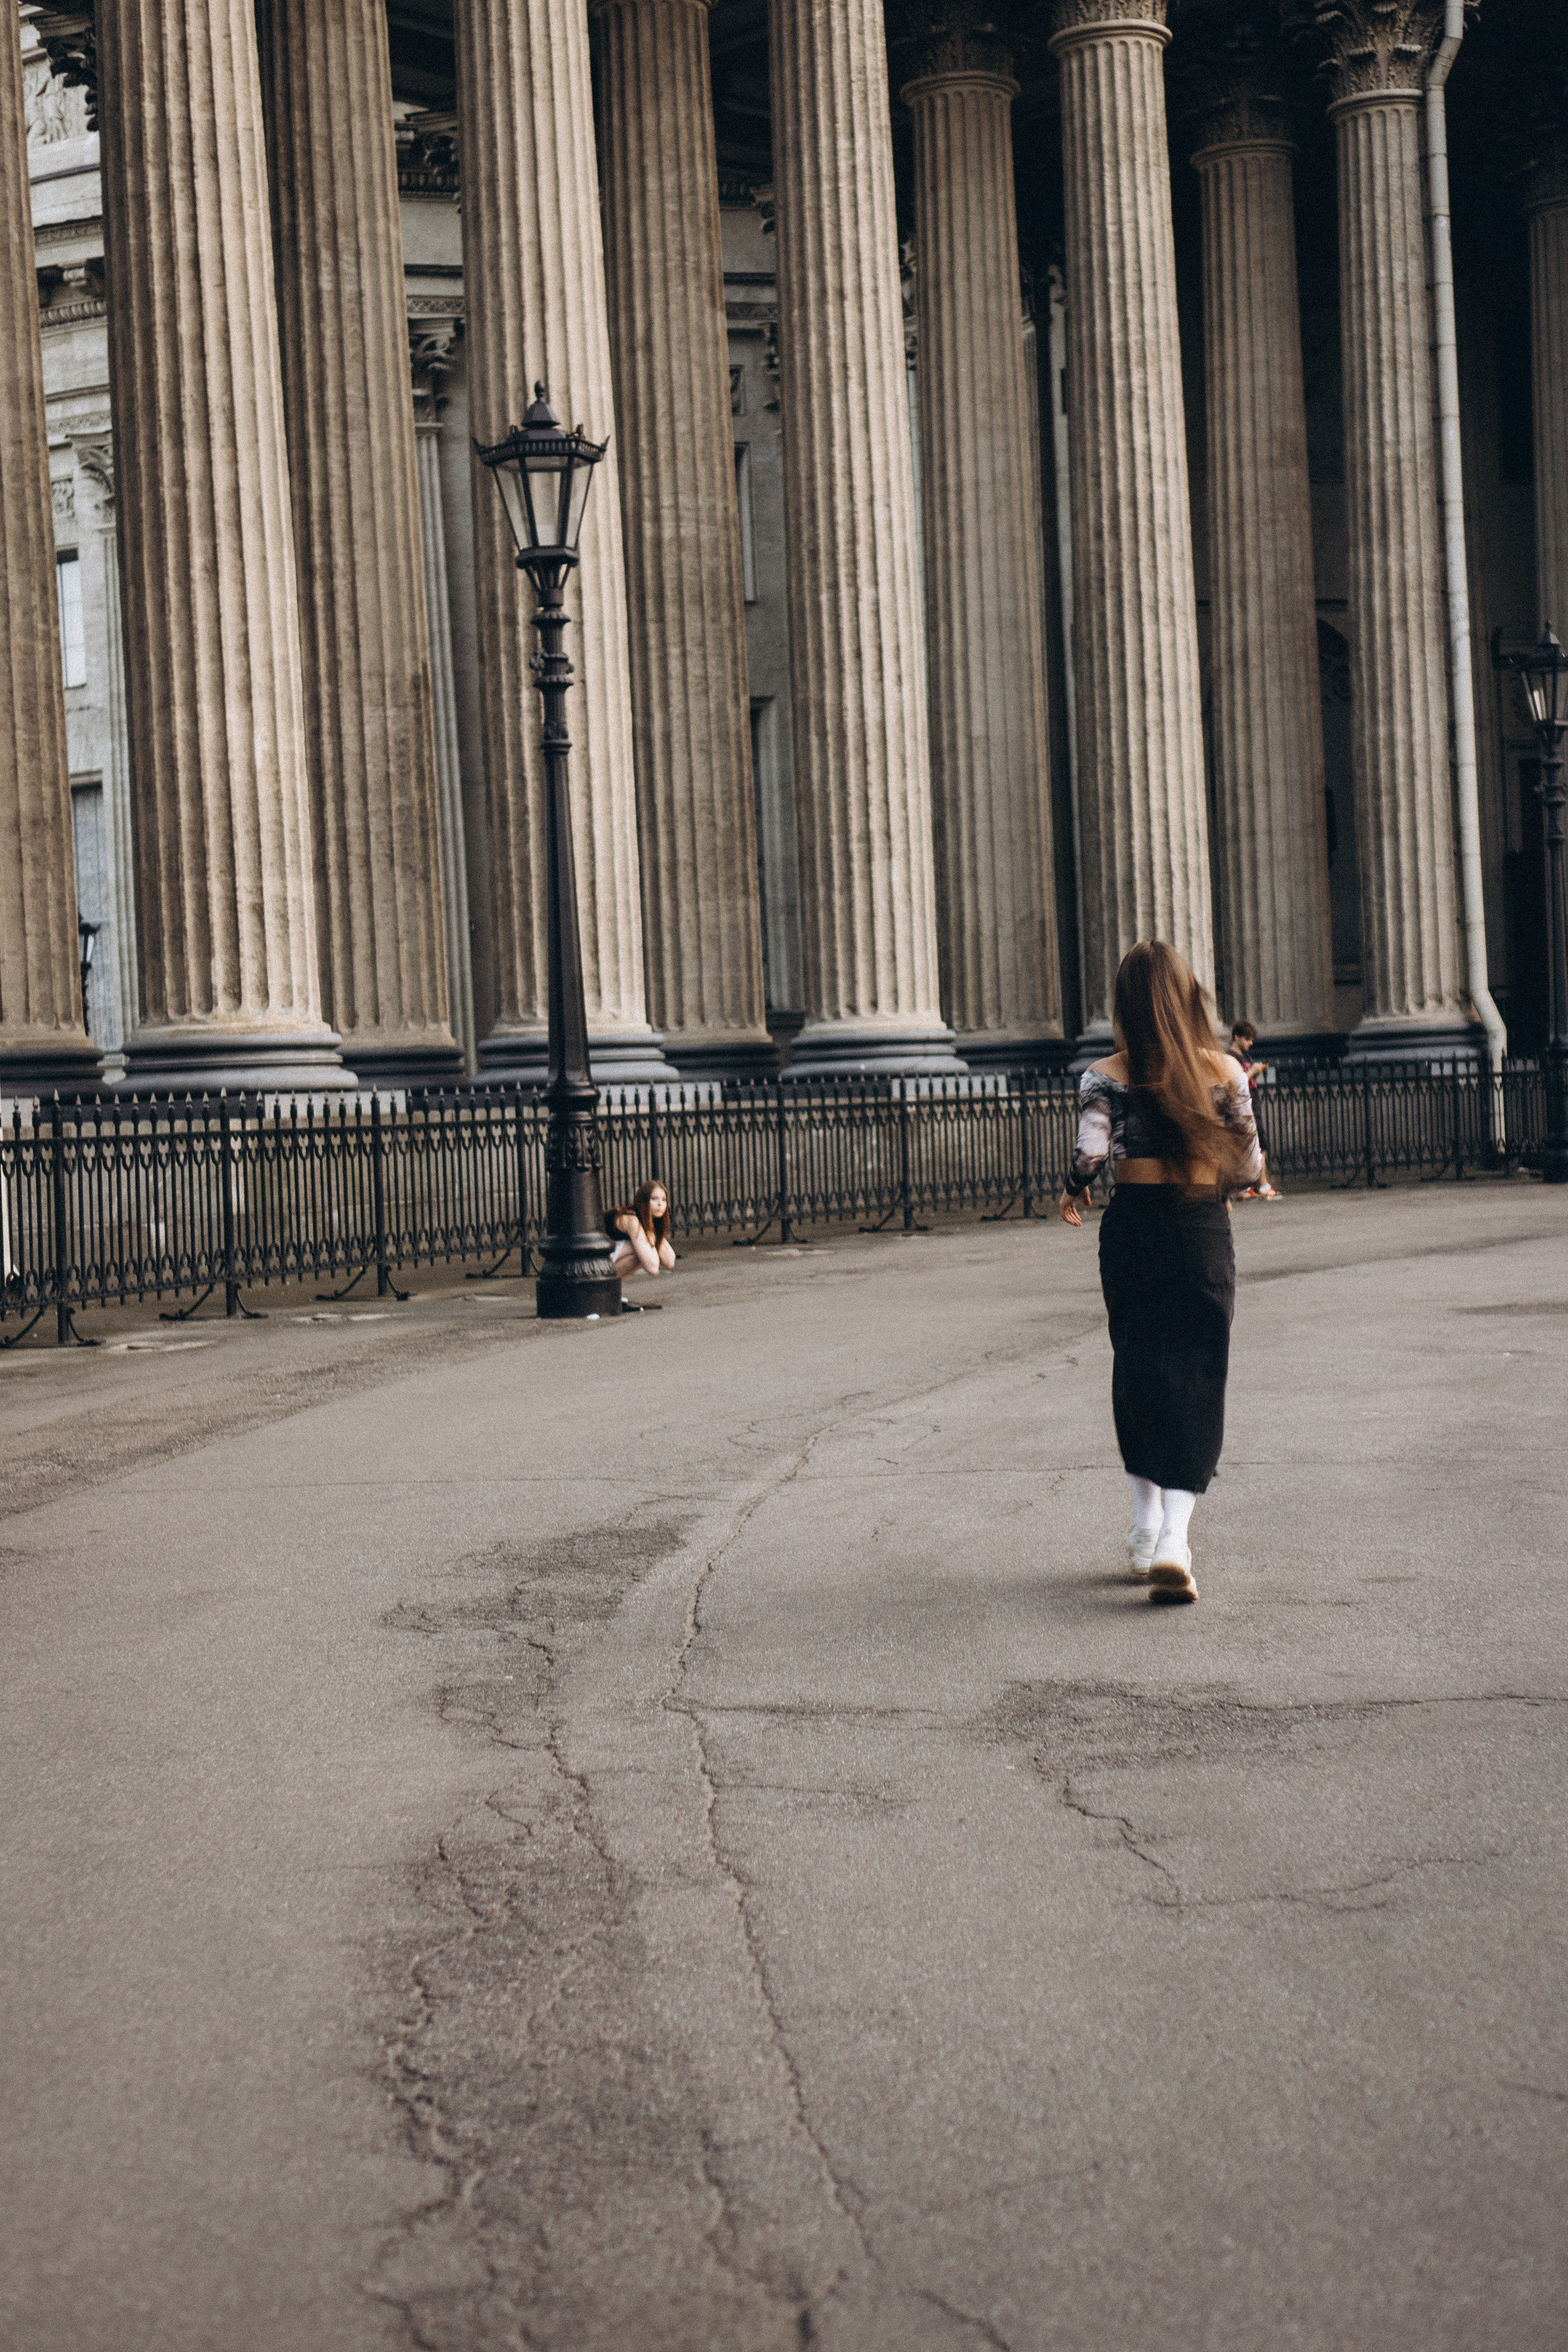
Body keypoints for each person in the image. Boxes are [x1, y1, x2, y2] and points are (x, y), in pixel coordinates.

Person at [1060, 942, 1262, 1604]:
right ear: (1188, 997)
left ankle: (1144, 1529)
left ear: (1124, 1005)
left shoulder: (1102, 1074)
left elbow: (1091, 1155)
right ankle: (1176, 1536)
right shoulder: (1225, 1070)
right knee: (1199, 1370)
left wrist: (1071, 1190)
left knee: (1139, 1365)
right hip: (1200, 1222)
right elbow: (1250, 1164)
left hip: (1135, 1225)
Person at [1229, 1019, 1281, 1200]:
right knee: (1250, 1143)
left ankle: (1255, 1184)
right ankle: (1258, 1184)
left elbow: (1248, 1082)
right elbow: (1235, 1083)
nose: (1251, 1043)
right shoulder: (1231, 1058)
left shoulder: (1246, 1057)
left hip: (1253, 1100)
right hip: (1242, 1104)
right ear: (1237, 1037)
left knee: (1260, 1143)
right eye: (1248, 1039)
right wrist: (1251, 1072)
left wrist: (1256, 1073)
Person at [605, 1179, 676, 1298]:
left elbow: (670, 1261)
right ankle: (605, 1288)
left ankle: (611, 1290)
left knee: (641, 1251)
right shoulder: (632, 1219)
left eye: (664, 1200)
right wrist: (651, 1234)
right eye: (654, 1199)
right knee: (639, 1251)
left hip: (608, 1258)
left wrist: (654, 1232)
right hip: (596, 1260)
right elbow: (652, 1267)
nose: (660, 1204)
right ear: (643, 1202)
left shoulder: (648, 1221)